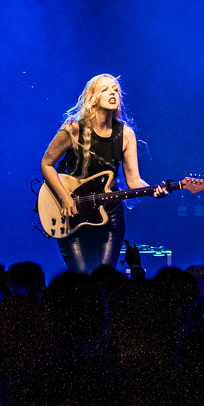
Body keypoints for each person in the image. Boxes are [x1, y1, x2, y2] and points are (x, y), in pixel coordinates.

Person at [40, 74, 167, 273]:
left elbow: (134, 181)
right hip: (72, 212)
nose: (112, 93)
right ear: (93, 98)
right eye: (105, 89)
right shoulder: (73, 129)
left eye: (115, 89)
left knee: (105, 277)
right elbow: (46, 164)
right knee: (81, 278)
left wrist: (153, 191)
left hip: (109, 212)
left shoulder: (126, 134)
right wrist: (64, 198)